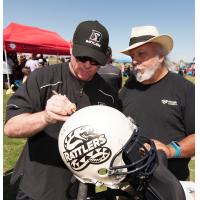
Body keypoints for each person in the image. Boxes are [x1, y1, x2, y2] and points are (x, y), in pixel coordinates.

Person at [4, 20, 121, 200]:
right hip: (38, 188)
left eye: (95, 60)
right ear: (71, 47)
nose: (88, 65)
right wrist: (46, 117)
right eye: (82, 57)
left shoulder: (109, 95)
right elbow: (11, 127)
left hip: (81, 191)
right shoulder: (42, 78)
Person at [119, 25, 195, 181]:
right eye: (132, 56)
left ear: (161, 56)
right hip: (130, 184)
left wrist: (169, 150)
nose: (134, 61)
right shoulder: (128, 88)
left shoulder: (185, 89)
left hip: (171, 185)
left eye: (141, 54)